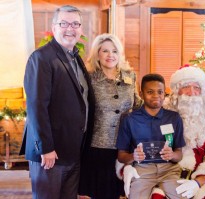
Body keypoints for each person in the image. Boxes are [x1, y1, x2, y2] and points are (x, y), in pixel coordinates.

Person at [19, 5, 95, 199]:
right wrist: (46, 148)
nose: (70, 28)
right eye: (64, 23)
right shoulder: (42, 58)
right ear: (54, 28)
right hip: (50, 153)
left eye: (75, 24)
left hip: (72, 150)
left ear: (81, 29)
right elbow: (36, 107)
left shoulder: (75, 58)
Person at [78, 33, 143, 199]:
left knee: (121, 192)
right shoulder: (89, 78)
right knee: (99, 193)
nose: (110, 55)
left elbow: (137, 104)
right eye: (105, 51)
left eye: (114, 51)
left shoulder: (130, 76)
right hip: (98, 146)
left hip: (124, 146)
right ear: (97, 54)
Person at [116, 73, 186, 199]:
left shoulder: (174, 118)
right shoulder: (129, 119)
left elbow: (179, 154)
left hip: (169, 170)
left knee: (181, 196)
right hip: (142, 170)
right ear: (141, 94)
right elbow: (121, 156)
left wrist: (172, 155)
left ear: (165, 93)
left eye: (160, 92)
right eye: (150, 92)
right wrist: (133, 156)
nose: (156, 96)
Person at [165, 65, 205, 199]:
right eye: (186, 87)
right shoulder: (165, 116)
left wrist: (196, 183)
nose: (191, 92)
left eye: (196, 87)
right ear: (177, 92)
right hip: (167, 176)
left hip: (202, 181)